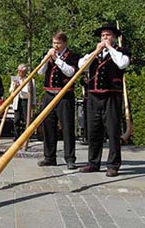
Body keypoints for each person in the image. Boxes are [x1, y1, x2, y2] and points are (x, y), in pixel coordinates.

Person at [78, 22, 130, 177]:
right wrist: (95, 51)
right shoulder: (94, 53)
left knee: (113, 131)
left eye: (108, 35)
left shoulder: (121, 51)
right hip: (93, 95)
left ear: (114, 37)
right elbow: (81, 66)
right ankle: (93, 162)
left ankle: (113, 164)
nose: (105, 38)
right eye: (103, 35)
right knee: (93, 130)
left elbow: (122, 64)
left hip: (111, 96)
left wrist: (111, 48)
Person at [37, 31, 79, 170]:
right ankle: (49, 157)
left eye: (58, 43)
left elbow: (70, 72)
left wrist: (57, 59)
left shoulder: (72, 56)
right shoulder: (49, 55)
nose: (56, 46)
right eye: (54, 43)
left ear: (65, 43)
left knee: (67, 126)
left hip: (64, 95)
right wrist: (46, 58)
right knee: (48, 126)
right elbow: (40, 72)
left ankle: (70, 158)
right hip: (49, 94)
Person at [9, 64, 36, 141]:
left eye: (21, 71)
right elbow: (10, 91)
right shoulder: (15, 79)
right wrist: (15, 86)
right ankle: (16, 135)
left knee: (26, 119)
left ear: (25, 72)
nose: (19, 72)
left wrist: (33, 103)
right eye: (18, 71)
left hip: (25, 100)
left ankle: (26, 135)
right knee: (16, 119)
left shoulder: (30, 79)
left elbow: (32, 92)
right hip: (17, 100)